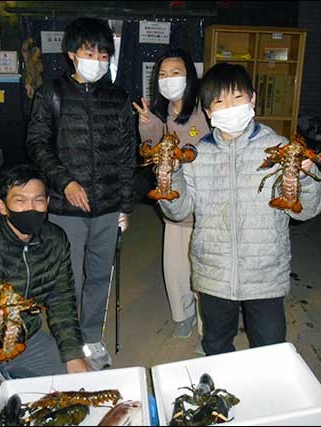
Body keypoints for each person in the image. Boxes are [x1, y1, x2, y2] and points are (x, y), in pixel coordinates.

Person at [159, 63, 321, 356]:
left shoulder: (279, 148)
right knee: (216, 346)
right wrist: (170, 176)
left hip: (264, 274)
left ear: (253, 100)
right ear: (209, 113)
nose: (229, 107)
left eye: (237, 98)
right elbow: (178, 211)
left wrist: (306, 178)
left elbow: (305, 211)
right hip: (214, 274)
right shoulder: (197, 155)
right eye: (219, 102)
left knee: (269, 350)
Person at [26, 17, 136, 371]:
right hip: (65, 208)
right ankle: (68, 343)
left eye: (104, 53)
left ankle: (90, 338)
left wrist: (125, 205)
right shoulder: (52, 93)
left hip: (106, 208)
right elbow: (37, 144)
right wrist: (65, 183)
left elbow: (126, 155)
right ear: (72, 53)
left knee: (100, 276)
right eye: (91, 52)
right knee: (66, 279)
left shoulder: (118, 98)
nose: (98, 60)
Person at [0, 164, 90, 426]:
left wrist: (72, 353)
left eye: (38, 200)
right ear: (1, 205)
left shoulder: (55, 239)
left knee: (75, 387)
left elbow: (61, 300)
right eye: (20, 201)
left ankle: (16, 377)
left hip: (26, 337)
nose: (31, 208)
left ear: (47, 203)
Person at [132, 48, 209, 351]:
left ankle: (207, 326)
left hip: (206, 205)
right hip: (175, 204)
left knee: (205, 269)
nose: (168, 79)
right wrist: (148, 122)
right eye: (162, 74)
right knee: (176, 267)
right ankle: (183, 316)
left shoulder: (206, 108)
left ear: (189, 76)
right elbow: (150, 148)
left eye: (175, 72)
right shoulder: (162, 114)